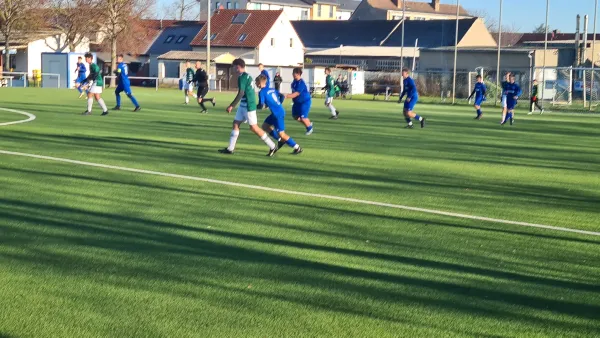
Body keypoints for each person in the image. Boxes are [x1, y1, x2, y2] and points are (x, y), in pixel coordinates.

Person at [219, 58, 277, 156]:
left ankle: (272, 146)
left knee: (254, 128)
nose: (233, 69)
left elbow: (241, 93)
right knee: (236, 124)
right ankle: (230, 149)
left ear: (237, 67)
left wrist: (231, 106)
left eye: (233, 67)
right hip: (244, 105)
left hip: (249, 106)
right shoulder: (248, 75)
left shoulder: (241, 77)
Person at [256, 74, 303, 155]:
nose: (256, 84)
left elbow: (261, 105)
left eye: (256, 82)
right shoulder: (272, 89)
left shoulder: (261, 92)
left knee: (282, 134)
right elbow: (282, 96)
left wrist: (255, 106)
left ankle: (297, 147)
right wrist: (278, 104)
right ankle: (280, 141)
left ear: (259, 83)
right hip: (276, 112)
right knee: (265, 126)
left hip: (278, 114)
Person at [286, 67, 314, 135]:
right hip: (297, 103)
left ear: (298, 74)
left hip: (304, 102)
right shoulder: (294, 82)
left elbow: (296, 93)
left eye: (294, 73)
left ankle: (309, 129)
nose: (293, 74)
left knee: (303, 118)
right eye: (293, 73)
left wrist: (286, 96)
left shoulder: (301, 83)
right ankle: (308, 124)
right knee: (295, 117)